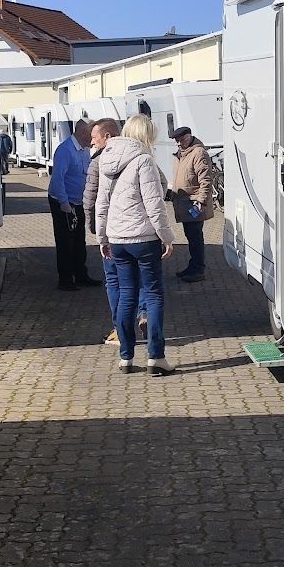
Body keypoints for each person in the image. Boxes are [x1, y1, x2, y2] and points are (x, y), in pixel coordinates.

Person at [95, 114, 175, 375]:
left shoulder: (106, 159)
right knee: (153, 295)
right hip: (144, 238)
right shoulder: (144, 160)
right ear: (147, 136)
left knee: (126, 295)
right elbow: (155, 205)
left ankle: (126, 357)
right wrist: (167, 237)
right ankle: (156, 357)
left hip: (117, 240)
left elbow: (101, 204)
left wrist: (102, 238)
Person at [84, 118, 143, 346]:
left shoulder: (98, 162)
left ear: (107, 136)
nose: (92, 141)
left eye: (94, 136)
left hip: (110, 233)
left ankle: (121, 331)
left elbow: (89, 200)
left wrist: (94, 229)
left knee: (114, 282)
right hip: (136, 231)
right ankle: (141, 317)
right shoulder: (139, 156)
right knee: (134, 281)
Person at [48, 119, 99, 291]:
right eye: (91, 135)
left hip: (78, 201)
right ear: (84, 133)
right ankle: (65, 279)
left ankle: (81, 275)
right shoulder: (65, 150)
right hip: (64, 202)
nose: (92, 139)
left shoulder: (84, 150)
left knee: (79, 239)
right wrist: (64, 203)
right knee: (65, 241)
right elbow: (57, 180)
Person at [168, 126, 215, 283]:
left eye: (182, 140)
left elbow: (206, 180)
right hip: (184, 204)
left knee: (195, 238)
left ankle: (198, 269)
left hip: (194, 205)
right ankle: (193, 265)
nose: (179, 144)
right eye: (177, 141)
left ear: (189, 137)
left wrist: (201, 201)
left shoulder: (198, 153)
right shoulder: (181, 154)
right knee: (191, 236)